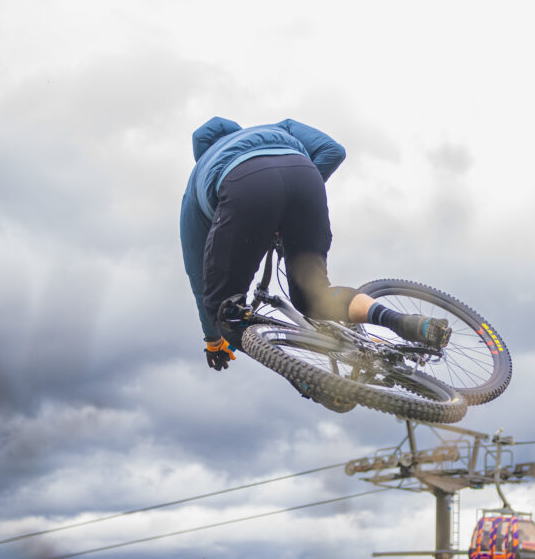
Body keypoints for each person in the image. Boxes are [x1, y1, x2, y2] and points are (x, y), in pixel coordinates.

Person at [179, 116, 450, 374]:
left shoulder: (198, 176)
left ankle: (305, 379)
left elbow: (197, 270)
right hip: (304, 176)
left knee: (226, 310)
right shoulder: (280, 128)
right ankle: (405, 322)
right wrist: (286, 209)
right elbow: (334, 151)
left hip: (243, 185)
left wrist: (213, 339)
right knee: (313, 297)